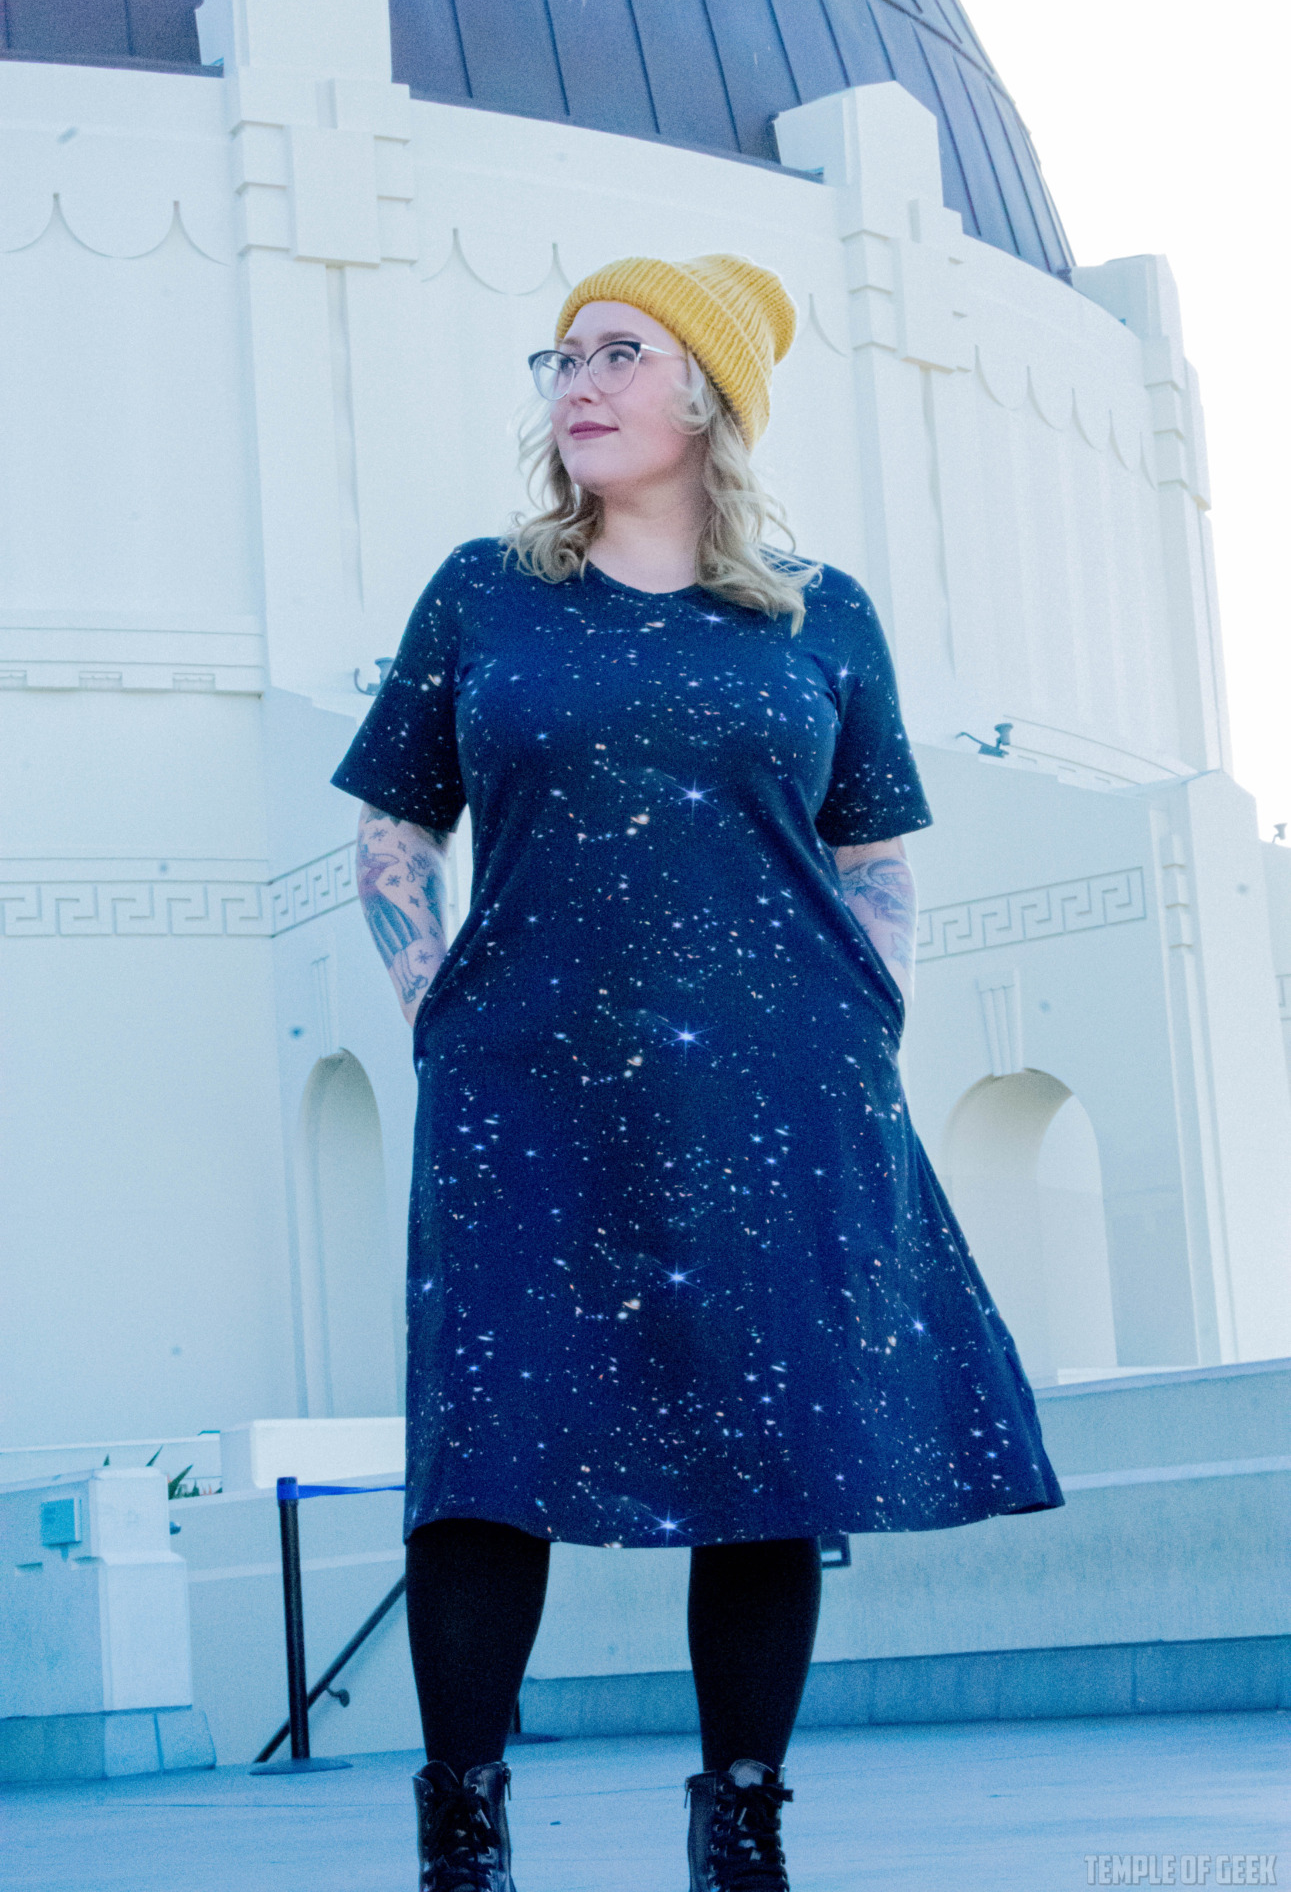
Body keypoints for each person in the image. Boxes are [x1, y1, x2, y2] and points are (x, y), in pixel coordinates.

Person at [331, 253, 1063, 1892]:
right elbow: (394, 823)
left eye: (619, 352)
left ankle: (741, 1813)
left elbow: (876, 849)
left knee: (767, 1444)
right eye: (561, 355)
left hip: (782, 1086)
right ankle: (465, 1821)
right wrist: (438, 1011)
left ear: (709, 396)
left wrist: (868, 1017)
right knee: (486, 1445)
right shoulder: (485, 592)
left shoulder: (819, 614)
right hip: (521, 1091)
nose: (574, 382)